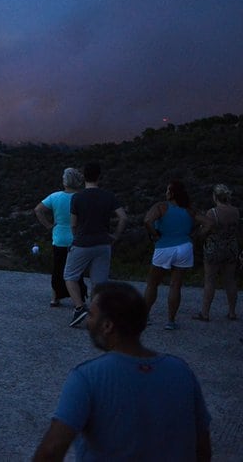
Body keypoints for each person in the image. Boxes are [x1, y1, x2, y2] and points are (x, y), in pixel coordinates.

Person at [33, 281, 211, 461]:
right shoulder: (181, 371)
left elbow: (51, 450)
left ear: (107, 326)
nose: (87, 322)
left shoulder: (87, 378)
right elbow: (203, 448)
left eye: (91, 315)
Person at [63, 162, 127, 328]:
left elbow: (73, 224)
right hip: (103, 244)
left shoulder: (77, 197)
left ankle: (79, 308)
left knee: (70, 276)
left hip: (82, 242)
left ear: (84, 177)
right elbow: (123, 217)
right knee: (99, 283)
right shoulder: (108, 196)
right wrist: (115, 236)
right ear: (99, 177)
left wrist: (76, 238)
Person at [143, 180, 202, 330]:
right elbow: (209, 223)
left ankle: (144, 317)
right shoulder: (189, 209)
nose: (166, 193)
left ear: (172, 193)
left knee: (152, 283)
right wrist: (195, 237)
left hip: (164, 246)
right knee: (175, 285)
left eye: (168, 190)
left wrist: (155, 234)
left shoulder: (161, 206)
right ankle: (170, 321)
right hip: (185, 247)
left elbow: (147, 221)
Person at [34, 168, 88, 307]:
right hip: (77, 239)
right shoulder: (82, 197)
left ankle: (55, 298)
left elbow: (38, 210)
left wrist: (48, 225)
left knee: (58, 269)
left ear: (65, 182)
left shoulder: (55, 196)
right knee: (77, 271)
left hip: (59, 239)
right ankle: (79, 299)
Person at [194, 184, 239, 322]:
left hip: (214, 249)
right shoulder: (235, 211)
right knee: (230, 280)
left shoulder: (212, 213)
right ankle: (232, 312)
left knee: (210, 280)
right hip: (231, 248)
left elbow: (205, 231)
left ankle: (205, 313)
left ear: (215, 197)